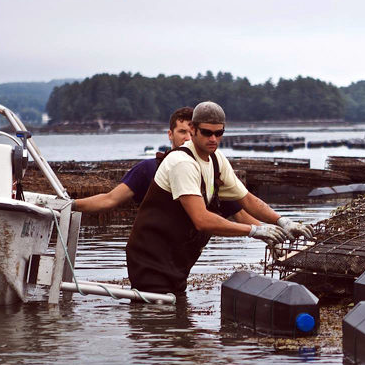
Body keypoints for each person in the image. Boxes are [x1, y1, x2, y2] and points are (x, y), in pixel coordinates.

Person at [125, 101, 313, 296]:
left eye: (219, 133)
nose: (213, 138)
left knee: (177, 316)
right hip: (150, 257)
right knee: (156, 315)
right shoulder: (182, 162)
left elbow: (246, 199)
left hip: (178, 259)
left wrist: (283, 221)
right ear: (193, 129)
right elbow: (202, 220)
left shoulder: (216, 159)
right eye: (207, 132)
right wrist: (254, 231)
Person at [74, 107, 255, 224]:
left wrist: (270, 234)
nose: (187, 138)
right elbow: (109, 200)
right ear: (170, 134)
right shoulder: (147, 170)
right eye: (181, 132)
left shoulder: (211, 170)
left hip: (183, 255)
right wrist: (71, 205)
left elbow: (239, 213)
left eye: (190, 132)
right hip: (153, 251)